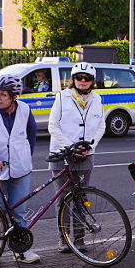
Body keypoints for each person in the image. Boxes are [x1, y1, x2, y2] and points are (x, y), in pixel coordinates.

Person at [0, 74, 40, 266]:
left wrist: (24, 155)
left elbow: (32, 133)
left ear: (13, 96)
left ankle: (21, 249)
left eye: (3, 95)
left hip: (21, 169)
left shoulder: (25, 109)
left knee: (18, 211)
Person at [47, 62, 106, 252]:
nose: (82, 81)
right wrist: (69, 146)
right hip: (62, 155)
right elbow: (53, 125)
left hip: (85, 156)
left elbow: (101, 126)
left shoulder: (97, 99)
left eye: (86, 78)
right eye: (79, 78)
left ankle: (79, 239)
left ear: (92, 81)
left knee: (81, 198)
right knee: (63, 199)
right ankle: (63, 239)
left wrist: (90, 146)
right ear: (73, 80)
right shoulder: (62, 98)